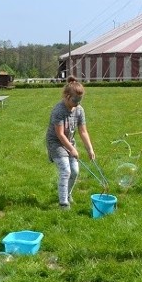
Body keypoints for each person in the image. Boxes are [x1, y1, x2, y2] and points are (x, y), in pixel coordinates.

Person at [45, 77, 96, 209]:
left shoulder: (79, 110)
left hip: (69, 142)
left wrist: (89, 149)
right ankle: (63, 203)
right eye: (75, 100)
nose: (77, 104)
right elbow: (60, 134)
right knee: (66, 170)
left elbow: (83, 132)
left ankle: (67, 194)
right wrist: (72, 150)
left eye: (80, 100)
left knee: (75, 171)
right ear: (67, 96)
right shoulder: (59, 110)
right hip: (56, 143)